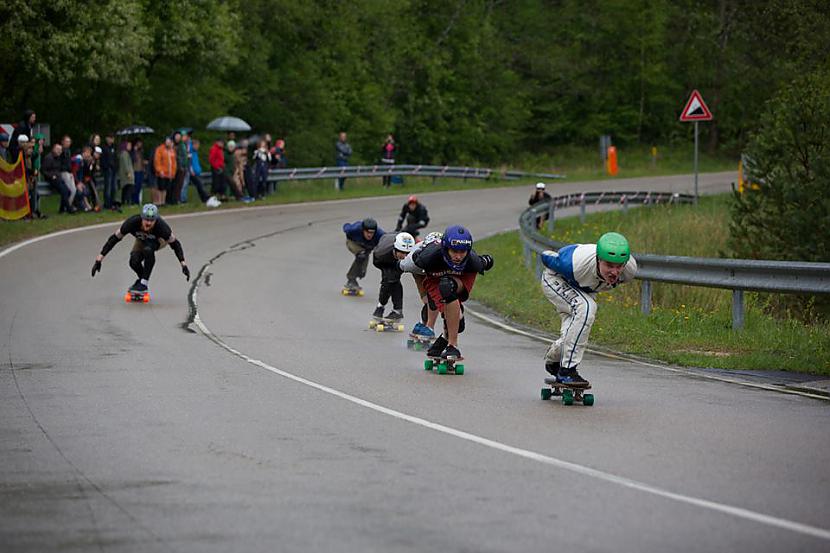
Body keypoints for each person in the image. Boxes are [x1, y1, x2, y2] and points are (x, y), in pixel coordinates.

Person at [539, 232, 637, 387]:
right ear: (598, 259)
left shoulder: (629, 271)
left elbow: (615, 273)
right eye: (609, 265)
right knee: (586, 308)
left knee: (573, 332)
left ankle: (554, 362)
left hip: (584, 288)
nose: (614, 272)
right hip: (556, 279)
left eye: (619, 266)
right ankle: (567, 372)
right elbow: (546, 256)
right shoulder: (574, 262)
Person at [400, 225, 494, 360]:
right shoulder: (426, 257)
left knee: (448, 286)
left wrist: (486, 261)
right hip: (434, 280)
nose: (458, 256)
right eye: (454, 251)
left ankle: (452, 346)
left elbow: (485, 262)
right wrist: (424, 296)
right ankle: (442, 342)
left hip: (460, 279)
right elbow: (408, 269)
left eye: (463, 252)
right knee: (457, 324)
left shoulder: (472, 261)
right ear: (445, 248)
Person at [91, 203, 190, 293]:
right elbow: (114, 239)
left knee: (148, 249)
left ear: (156, 220)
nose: (149, 223)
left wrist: (183, 264)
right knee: (133, 261)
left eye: (152, 220)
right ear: (141, 218)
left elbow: (175, 245)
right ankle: (141, 280)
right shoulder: (131, 223)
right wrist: (100, 258)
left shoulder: (162, 228)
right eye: (146, 219)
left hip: (158, 240)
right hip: (141, 239)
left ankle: (144, 283)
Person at [371, 232, 416, 322]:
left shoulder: (414, 254)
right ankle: (381, 305)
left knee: (393, 280)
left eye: (408, 253)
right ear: (395, 249)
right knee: (388, 280)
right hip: (385, 260)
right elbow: (376, 263)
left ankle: (396, 311)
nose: (405, 256)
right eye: (402, 253)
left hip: (396, 258)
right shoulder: (381, 254)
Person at [342, 217, 384, 290]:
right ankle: (351, 280)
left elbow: (388, 240)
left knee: (362, 272)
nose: (369, 235)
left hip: (366, 249)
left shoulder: (379, 234)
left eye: (372, 233)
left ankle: (354, 279)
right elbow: (346, 226)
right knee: (361, 255)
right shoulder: (355, 229)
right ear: (363, 230)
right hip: (353, 243)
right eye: (367, 232)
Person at [42, 143, 73, 213]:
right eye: (57, 149)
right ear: (53, 149)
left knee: (68, 191)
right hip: (52, 179)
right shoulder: (48, 158)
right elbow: (44, 171)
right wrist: (51, 176)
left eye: (60, 150)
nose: (59, 151)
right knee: (64, 191)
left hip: (58, 177)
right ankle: (69, 208)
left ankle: (62, 209)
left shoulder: (59, 158)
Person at [153, 136, 176, 206]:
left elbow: (174, 162)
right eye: (167, 141)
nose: (168, 143)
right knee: (161, 187)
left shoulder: (172, 150)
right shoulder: (160, 149)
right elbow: (157, 161)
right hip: (162, 172)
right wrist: (160, 170)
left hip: (169, 173)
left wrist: (173, 172)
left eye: (169, 142)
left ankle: (163, 201)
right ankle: (159, 202)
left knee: (165, 188)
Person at [187, 138, 210, 203]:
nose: (198, 147)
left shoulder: (195, 152)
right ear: (193, 145)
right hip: (192, 172)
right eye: (197, 145)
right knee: (200, 184)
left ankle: (204, 198)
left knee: (200, 185)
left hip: (197, 172)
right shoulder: (190, 152)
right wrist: (191, 171)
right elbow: (190, 163)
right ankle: (205, 198)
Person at [101, 134, 118, 210]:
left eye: (112, 138)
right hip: (108, 169)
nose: (111, 140)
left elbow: (115, 158)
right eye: (110, 138)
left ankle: (112, 202)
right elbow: (103, 159)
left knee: (114, 187)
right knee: (108, 187)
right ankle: (107, 203)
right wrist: (106, 167)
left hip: (114, 169)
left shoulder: (114, 148)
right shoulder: (104, 148)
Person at [118, 140, 135, 208]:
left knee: (126, 189)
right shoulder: (124, 154)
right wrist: (128, 173)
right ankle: (127, 202)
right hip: (126, 175)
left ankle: (125, 202)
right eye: (129, 145)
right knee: (128, 189)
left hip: (127, 174)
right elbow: (125, 164)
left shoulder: (126, 153)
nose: (130, 147)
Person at [131, 138, 146, 205]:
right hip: (135, 170)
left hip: (141, 170)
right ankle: (134, 200)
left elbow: (142, 160)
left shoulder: (141, 152)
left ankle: (137, 200)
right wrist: (134, 151)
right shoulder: (133, 152)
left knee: (139, 186)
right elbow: (133, 159)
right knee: (135, 186)